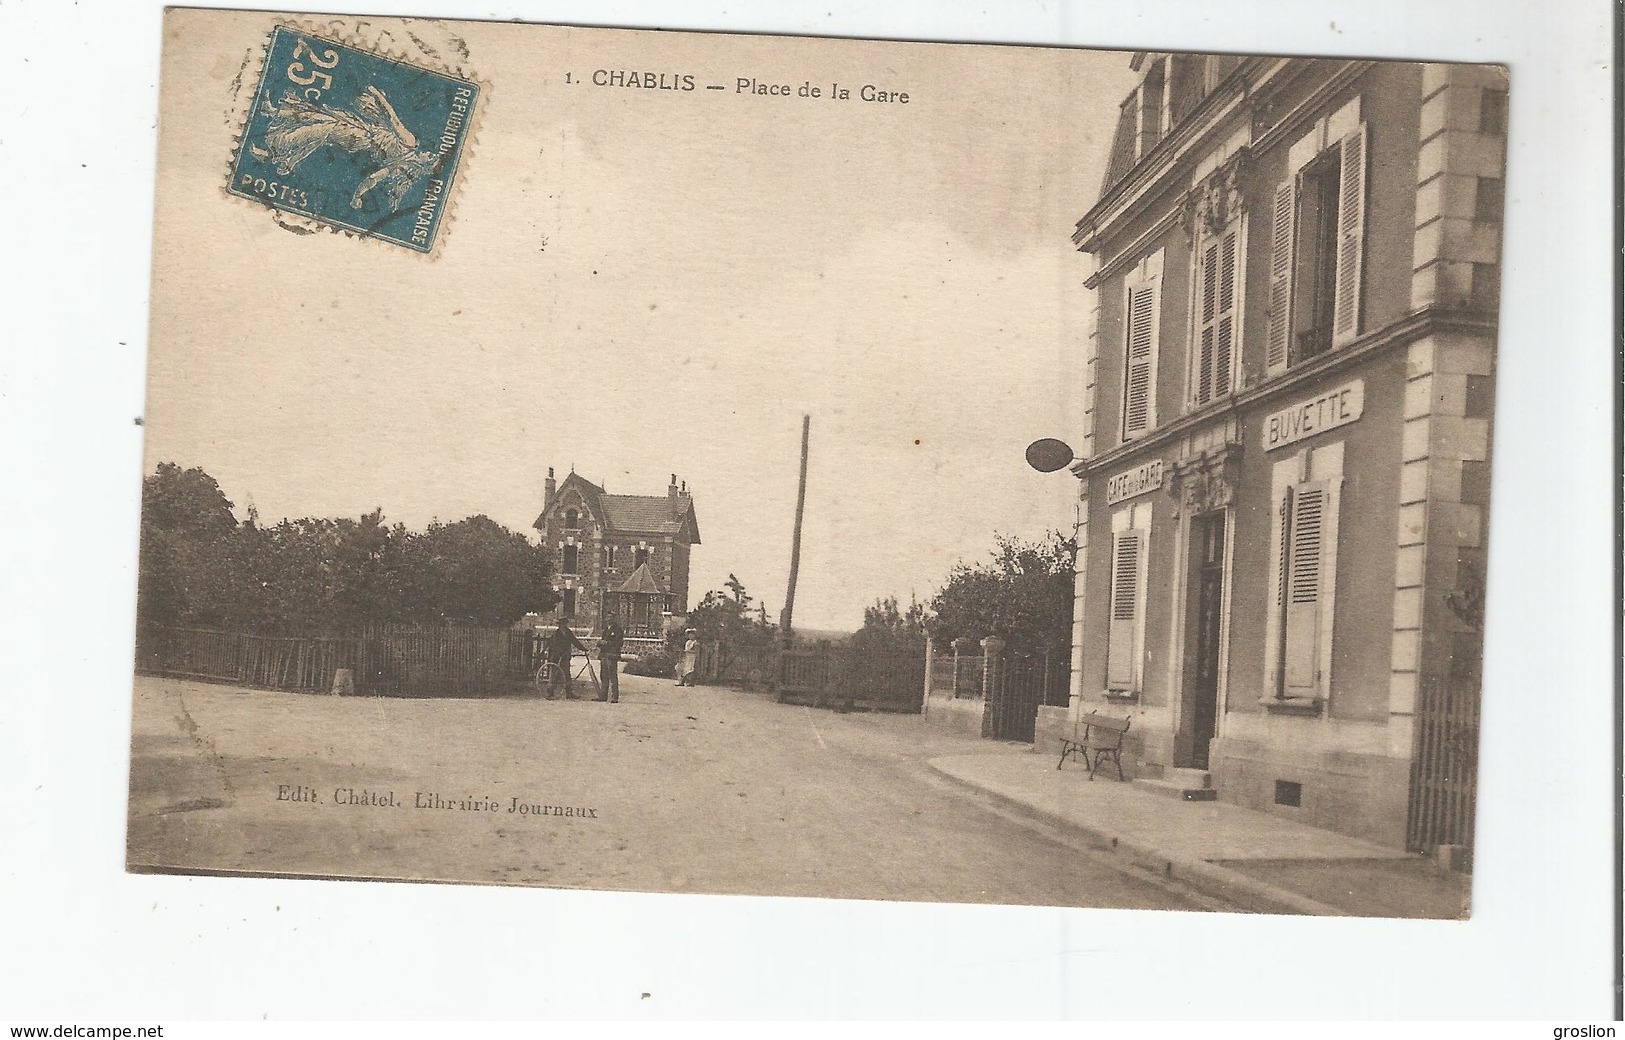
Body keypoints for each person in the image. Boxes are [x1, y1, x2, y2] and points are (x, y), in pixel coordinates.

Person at [544, 618, 588, 700]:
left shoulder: (568, 632)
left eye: (565, 623)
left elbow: (575, 641)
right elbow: (553, 644)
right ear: (559, 625)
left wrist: (583, 649)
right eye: (562, 624)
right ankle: (550, 691)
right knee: (555, 674)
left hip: (565, 656)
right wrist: (558, 652)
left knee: (567, 674)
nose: (564, 625)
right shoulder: (556, 633)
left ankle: (569, 693)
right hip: (557, 656)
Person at [596, 618, 624, 703]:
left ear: (613, 619)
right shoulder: (606, 630)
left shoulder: (618, 630)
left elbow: (619, 643)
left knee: (612, 676)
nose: (608, 619)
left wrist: (607, 643)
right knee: (603, 676)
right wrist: (600, 643)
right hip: (604, 655)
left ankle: (614, 697)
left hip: (612, 655)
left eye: (610, 617)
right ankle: (603, 696)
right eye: (607, 617)